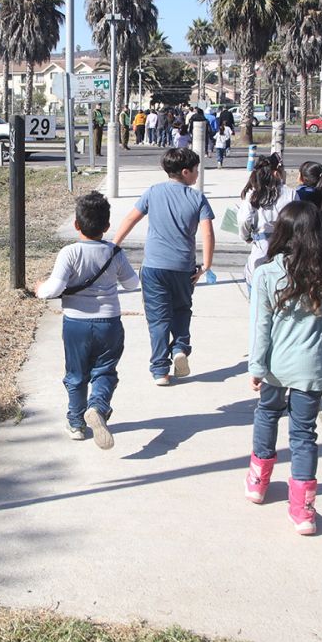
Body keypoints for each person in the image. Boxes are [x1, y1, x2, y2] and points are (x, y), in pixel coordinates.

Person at [245, 202, 322, 535]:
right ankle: (303, 509)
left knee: (267, 414)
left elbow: (260, 326)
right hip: (311, 366)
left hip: (275, 364)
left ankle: (258, 481)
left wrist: (256, 365)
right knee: (304, 433)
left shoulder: (266, 273)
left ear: (282, 232)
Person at [36, 191, 140, 449]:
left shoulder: (69, 253)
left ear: (76, 224)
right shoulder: (115, 253)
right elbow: (132, 284)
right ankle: (97, 407)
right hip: (109, 323)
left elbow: (54, 289)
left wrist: (39, 289)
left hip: (76, 323)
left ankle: (76, 424)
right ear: (107, 226)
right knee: (105, 371)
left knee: (76, 374)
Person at [113, 147, 215, 386]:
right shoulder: (197, 198)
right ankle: (179, 348)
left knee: (158, 319)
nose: (198, 174)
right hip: (183, 268)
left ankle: (160, 371)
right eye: (196, 170)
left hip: (154, 267)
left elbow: (130, 218)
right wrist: (206, 265)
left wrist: (113, 246)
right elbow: (208, 233)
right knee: (182, 310)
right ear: (185, 172)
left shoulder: (153, 192)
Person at [238, 152, 292, 282]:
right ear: (276, 173)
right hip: (285, 248)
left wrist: (246, 236)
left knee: (256, 283)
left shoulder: (252, 195)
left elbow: (244, 219)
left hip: (261, 248)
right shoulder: (291, 194)